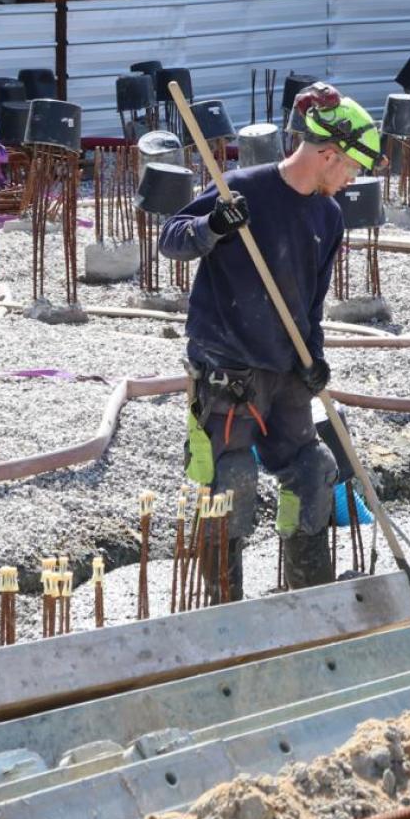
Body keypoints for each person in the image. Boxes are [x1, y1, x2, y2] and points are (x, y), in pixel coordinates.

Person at [160, 82, 382, 600]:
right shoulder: (242, 189)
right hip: (228, 368)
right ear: (328, 154)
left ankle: (306, 602)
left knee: (311, 473)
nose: (353, 179)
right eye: (351, 167)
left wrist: (315, 359)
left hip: (286, 370)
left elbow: (311, 300)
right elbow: (172, 239)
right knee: (230, 485)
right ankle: (222, 609)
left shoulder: (328, 217)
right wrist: (212, 225)